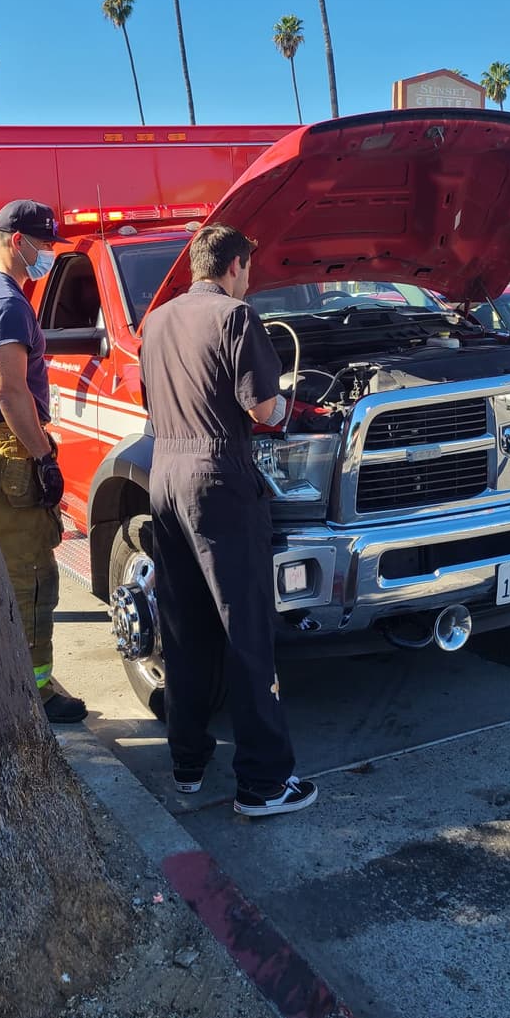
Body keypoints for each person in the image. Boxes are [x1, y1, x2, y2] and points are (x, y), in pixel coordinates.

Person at [139, 224, 316, 818]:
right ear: (235, 265)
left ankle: (188, 764)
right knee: (247, 634)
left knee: (184, 628)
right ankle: (264, 784)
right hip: (219, 480)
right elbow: (262, 408)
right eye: (249, 269)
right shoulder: (238, 318)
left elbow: (154, 399)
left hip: (163, 476)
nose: (250, 280)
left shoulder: (156, 322)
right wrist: (288, 400)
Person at [0, 199, 87, 724]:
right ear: (17, 240)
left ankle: (14, 673)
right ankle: (35, 690)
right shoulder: (7, 302)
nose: (47, 255)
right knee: (31, 574)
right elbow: (10, 390)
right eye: (43, 245)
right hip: (12, 448)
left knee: (6, 569)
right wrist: (42, 457)